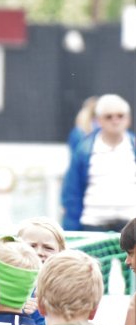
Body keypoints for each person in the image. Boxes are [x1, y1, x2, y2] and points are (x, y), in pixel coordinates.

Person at [61, 93, 136, 234]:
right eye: (109, 117)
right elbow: (72, 192)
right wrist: (71, 230)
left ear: (128, 119)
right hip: (93, 225)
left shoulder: (133, 147)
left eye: (120, 116)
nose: (115, 121)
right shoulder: (83, 150)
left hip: (131, 226)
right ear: (99, 120)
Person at [16, 217, 67, 325]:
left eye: (48, 248)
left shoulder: (65, 287)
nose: (39, 252)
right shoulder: (8, 282)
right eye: (31, 246)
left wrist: (38, 312)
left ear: (61, 252)